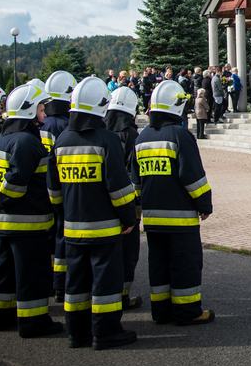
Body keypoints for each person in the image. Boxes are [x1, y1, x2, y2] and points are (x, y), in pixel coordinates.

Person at [48, 77, 138, 350]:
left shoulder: (62, 140)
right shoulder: (106, 140)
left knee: (77, 283)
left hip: (72, 228)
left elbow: (53, 189)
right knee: (105, 285)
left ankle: (77, 334)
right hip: (105, 229)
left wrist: (65, 212)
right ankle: (106, 333)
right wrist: (128, 218)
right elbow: (118, 188)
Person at [133, 80, 215, 326]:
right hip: (180, 218)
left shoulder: (142, 138)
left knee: (158, 264)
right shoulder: (180, 135)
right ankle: (188, 311)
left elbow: (135, 181)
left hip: (152, 218)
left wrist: (137, 210)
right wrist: (205, 204)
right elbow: (192, 176)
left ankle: (161, 310)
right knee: (185, 264)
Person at [0, 83, 63, 338]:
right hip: (28, 222)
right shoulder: (27, 142)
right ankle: (33, 322)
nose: (44, 114)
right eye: (41, 109)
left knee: (4, 271)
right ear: (29, 110)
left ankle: (0, 316)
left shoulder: (2, 137)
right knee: (32, 274)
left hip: (4, 222)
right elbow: (17, 182)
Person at [105, 86, 142, 310]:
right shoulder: (132, 136)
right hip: (127, 204)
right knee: (128, 252)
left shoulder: (102, 133)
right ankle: (123, 296)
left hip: (102, 207)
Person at [44, 70, 78, 303]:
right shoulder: (65, 126)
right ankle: (61, 285)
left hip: (40, 191)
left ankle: (51, 282)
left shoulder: (42, 122)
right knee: (62, 237)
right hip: (62, 189)